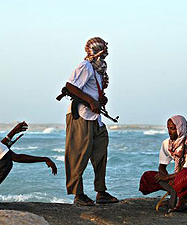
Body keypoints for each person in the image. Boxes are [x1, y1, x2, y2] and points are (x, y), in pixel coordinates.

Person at [64, 37, 118, 206]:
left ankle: (101, 192)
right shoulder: (86, 66)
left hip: (96, 119)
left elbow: (91, 91)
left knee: (100, 154)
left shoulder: (98, 70)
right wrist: (91, 101)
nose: (106, 54)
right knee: (78, 156)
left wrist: (100, 100)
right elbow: (70, 87)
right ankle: (78, 194)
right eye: (103, 50)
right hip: (81, 117)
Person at [139, 115, 187, 215]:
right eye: (168, 128)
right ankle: (181, 199)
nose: (169, 131)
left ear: (181, 128)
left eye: (172, 129)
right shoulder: (167, 143)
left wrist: (168, 177)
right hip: (179, 176)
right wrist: (165, 178)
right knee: (148, 177)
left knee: (186, 177)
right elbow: (162, 165)